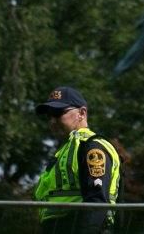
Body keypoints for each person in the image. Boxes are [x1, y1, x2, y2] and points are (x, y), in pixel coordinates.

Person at [33, 86, 122, 233]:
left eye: (58, 113)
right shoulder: (66, 149)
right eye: (50, 116)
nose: (52, 121)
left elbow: (97, 203)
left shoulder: (92, 147)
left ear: (82, 113)